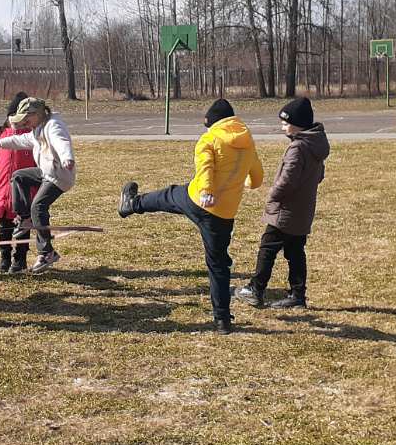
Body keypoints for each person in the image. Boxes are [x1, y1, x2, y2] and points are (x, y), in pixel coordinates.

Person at [117, 99, 264, 334]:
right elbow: (256, 178)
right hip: (224, 212)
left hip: (198, 200)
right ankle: (222, 320)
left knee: (167, 196)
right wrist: (242, 182)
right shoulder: (247, 140)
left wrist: (206, 191)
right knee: (218, 264)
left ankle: (132, 204)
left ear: (213, 122)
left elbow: (205, 167)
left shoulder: (210, 138)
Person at [235, 97, 329, 310]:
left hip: (286, 210)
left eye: (286, 123)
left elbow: (287, 180)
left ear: (298, 125)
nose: (282, 126)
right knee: (295, 251)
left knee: (267, 247)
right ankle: (298, 294)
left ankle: (255, 289)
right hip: (303, 210)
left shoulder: (298, 148)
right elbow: (319, 175)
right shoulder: (315, 144)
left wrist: (273, 195)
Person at [0, 97, 75, 274]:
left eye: (26, 119)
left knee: (38, 206)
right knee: (18, 176)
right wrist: (2, 143)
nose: (24, 123)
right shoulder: (37, 128)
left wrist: (67, 157)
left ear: (37, 114)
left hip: (59, 177)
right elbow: (23, 140)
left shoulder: (53, 126)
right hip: (46, 172)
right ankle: (25, 218)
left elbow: (61, 141)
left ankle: (47, 253)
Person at [0, 92, 38, 274]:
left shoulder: (30, 138)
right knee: (4, 226)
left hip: (24, 191)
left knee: (23, 225)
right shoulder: (0, 136)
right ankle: (5, 257)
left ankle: (20, 259)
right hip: (2, 191)